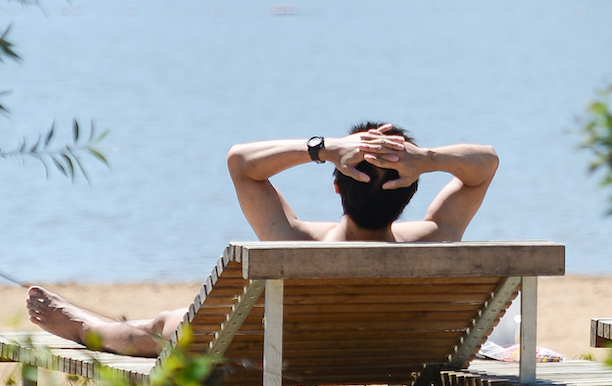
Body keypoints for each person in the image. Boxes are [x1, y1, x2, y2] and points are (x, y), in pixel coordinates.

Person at [25, 122, 499, 356]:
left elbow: (241, 165)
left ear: (336, 183)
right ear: (410, 190)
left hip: (280, 355)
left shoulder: (293, 241)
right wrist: (428, 158)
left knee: (168, 324)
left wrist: (320, 149)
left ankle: (81, 327)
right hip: (386, 352)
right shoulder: (433, 238)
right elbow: (485, 165)